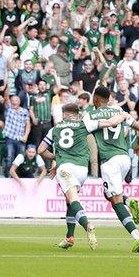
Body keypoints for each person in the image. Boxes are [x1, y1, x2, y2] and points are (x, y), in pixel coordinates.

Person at [83, 87, 139, 253]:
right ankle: (128, 201)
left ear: (96, 100)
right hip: (124, 158)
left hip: (109, 161)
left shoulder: (90, 115)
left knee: (115, 203)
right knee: (108, 194)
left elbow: (81, 135)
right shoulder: (119, 111)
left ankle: (137, 236)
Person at [37, 104, 102, 250]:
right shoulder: (82, 125)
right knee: (69, 202)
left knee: (73, 200)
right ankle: (69, 237)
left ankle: (87, 225)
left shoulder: (55, 129)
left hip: (65, 168)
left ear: (65, 114)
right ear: (76, 114)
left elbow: (40, 150)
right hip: (82, 169)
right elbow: (107, 123)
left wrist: (57, 158)